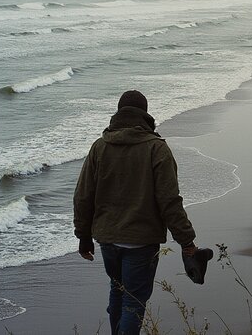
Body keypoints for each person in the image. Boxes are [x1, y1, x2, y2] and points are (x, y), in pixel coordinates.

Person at [74, 89, 198, 334]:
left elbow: (82, 196)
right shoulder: (156, 149)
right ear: (145, 115)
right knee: (133, 301)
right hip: (141, 242)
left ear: (118, 114)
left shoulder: (100, 147)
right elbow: (169, 202)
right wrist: (187, 242)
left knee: (117, 289)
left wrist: (83, 236)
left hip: (107, 240)